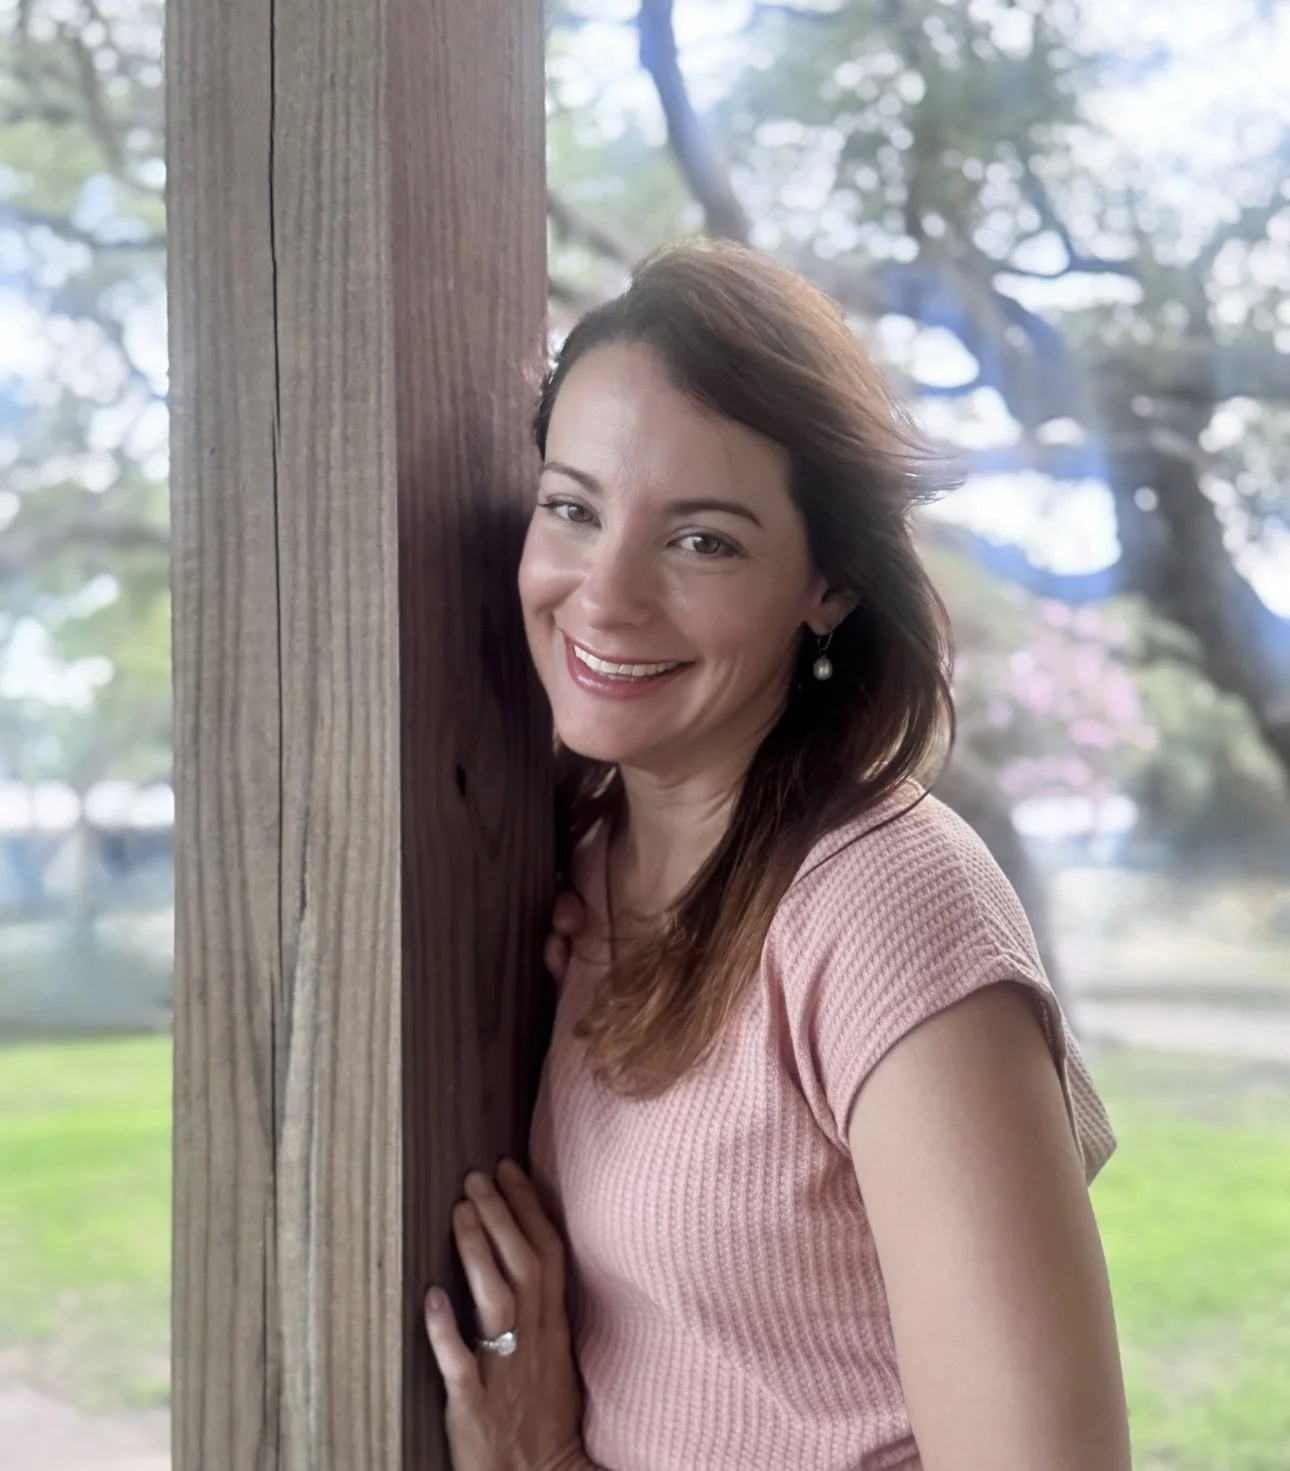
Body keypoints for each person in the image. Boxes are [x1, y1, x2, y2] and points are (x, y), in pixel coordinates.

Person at [423, 239, 1131, 1471]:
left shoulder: (885, 913)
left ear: (831, 585)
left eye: (702, 541)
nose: (605, 595)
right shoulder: (591, 871)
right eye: (573, 508)